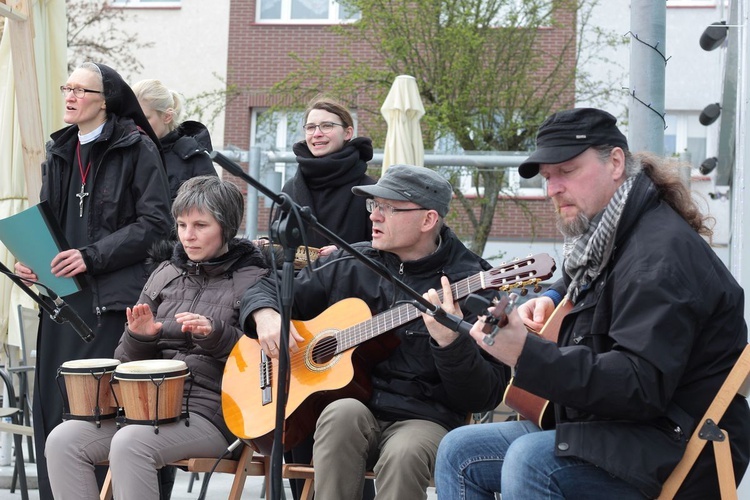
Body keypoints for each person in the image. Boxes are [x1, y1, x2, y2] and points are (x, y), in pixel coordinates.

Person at [434, 107, 750, 499]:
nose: (552, 189)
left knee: (530, 461)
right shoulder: (612, 235)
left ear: (615, 162)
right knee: (458, 450)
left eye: (566, 170)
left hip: (674, 442)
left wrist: (526, 354)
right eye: (548, 177)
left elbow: (639, 386)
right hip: (613, 426)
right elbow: (582, 281)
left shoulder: (660, 258)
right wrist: (553, 298)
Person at [241, 164, 509, 500]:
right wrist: (265, 314)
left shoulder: (474, 285)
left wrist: (449, 342)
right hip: (354, 406)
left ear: (427, 220)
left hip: (423, 418)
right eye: (374, 206)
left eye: (388, 208)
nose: (374, 217)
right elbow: (268, 288)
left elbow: (484, 395)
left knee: (404, 454)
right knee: (339, 415)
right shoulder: (353, 262)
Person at [44, 175, 270, 499]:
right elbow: (121, 364)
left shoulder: (255, 279)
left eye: (200, 225)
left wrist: (215, 334)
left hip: (211, 414)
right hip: (143, 408)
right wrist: (140, 338)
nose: (188, 236)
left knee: (130, 443)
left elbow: (267, 359)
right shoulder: (164, 273)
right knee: (64, 440)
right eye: (181, 225)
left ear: (226, 227)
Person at [13, 62, 173, 500]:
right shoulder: (60, 150)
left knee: (100, 417)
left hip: (110, 305)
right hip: (62, 303)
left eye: (80, 90)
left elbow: (157, 225)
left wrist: (90, 256)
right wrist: (35, 260)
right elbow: (51, 223)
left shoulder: (135, 148)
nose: (70, 96)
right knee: (55, 411)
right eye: (66, 87)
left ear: (106, 101)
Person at [281, 96, 376, 255]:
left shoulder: (368, 190)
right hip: (297, 279)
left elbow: (385, 247)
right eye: (310, 127)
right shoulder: (290, 188)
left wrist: (345, 252)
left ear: (348, 133)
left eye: (327, 126)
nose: (317, 134)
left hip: (350, 278)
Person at [132, 79, 217, 203]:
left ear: (167, 117)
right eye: (132, 119)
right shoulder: (125, 153)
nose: (137, 126)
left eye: (145, 119)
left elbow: (212, 209)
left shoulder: (193, 157)